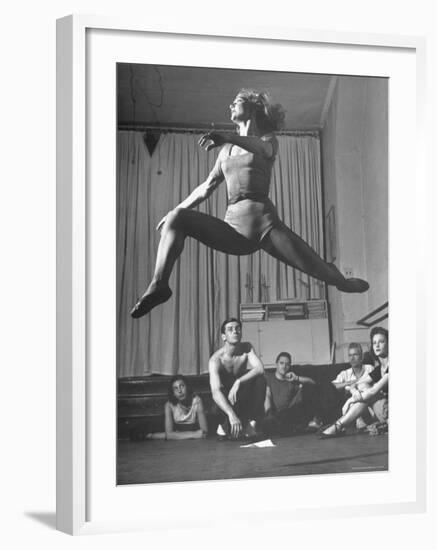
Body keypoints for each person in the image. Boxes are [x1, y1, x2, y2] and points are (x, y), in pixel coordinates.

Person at [130, 89, 369, 318]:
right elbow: (207, 186)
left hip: (267, 226)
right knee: (177, 217)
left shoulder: (267, 140)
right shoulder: (226, 150)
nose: (230, 105)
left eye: (236, 100)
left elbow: (262, 149)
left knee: (318, 269)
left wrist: (228, 137)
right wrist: (175, 210)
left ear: (253, 108)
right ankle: (159, 285)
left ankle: (341, 282)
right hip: (234, 231)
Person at [319, 327, 389, 438]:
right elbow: (357, 384)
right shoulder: (378, 369)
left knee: (366, 392)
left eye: (381, 342)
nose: (377, 345)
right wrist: (352, 388)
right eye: (374, 342)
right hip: (376, 410)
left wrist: (349, 401)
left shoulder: (384, 367)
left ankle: (338, 425)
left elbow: (372, 391)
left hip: (387, 410)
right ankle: (339, 425)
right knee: (363, 391)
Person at [208, 317, 266, 441]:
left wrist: (238, 382)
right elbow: (216, 392)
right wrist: (231, 415)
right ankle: (223, 425)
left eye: (237, 328)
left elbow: (260, 369)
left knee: (260, 380)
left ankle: (251, 424)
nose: (235, 331)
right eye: (230, 329)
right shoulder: (216, 360)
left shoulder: (247, 348)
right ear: (224, 336)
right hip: (224, 401)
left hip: (240, 396)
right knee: (215, 406)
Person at [262, 352, 324, 436]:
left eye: (287, 364)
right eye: (281, 363)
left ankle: (309, 422)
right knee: (272, 422)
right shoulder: (269, 377)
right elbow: (267, 395)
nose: (284, 366)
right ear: (276, 364)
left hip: (290, 413)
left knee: (308, 388)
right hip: (275, 414)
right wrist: (268, 413)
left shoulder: (291, 380)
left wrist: (297, 378)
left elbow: (313, 383)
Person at [130, 375, 208, 441]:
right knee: (149, 433)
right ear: (173, 393)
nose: (180, 391)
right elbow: (169, 435)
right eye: (176, 388)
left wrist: (178, 435)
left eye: (182, 386)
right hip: (173, 433)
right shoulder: (168, 405)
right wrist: (194, 434)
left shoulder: (197, 401)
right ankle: (147, 435)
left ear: (187, 387)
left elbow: (204, 432)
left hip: (180, 435)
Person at [331, 342, 375, 430]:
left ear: (361, 357)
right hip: (353, 410)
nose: (352, 358)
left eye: (355, 355)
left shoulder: (369, 368)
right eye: (350, 355)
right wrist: (347, 383)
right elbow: (331, 386)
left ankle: (340, 425)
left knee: (364, 387)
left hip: (369, 408)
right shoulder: (345, 373)